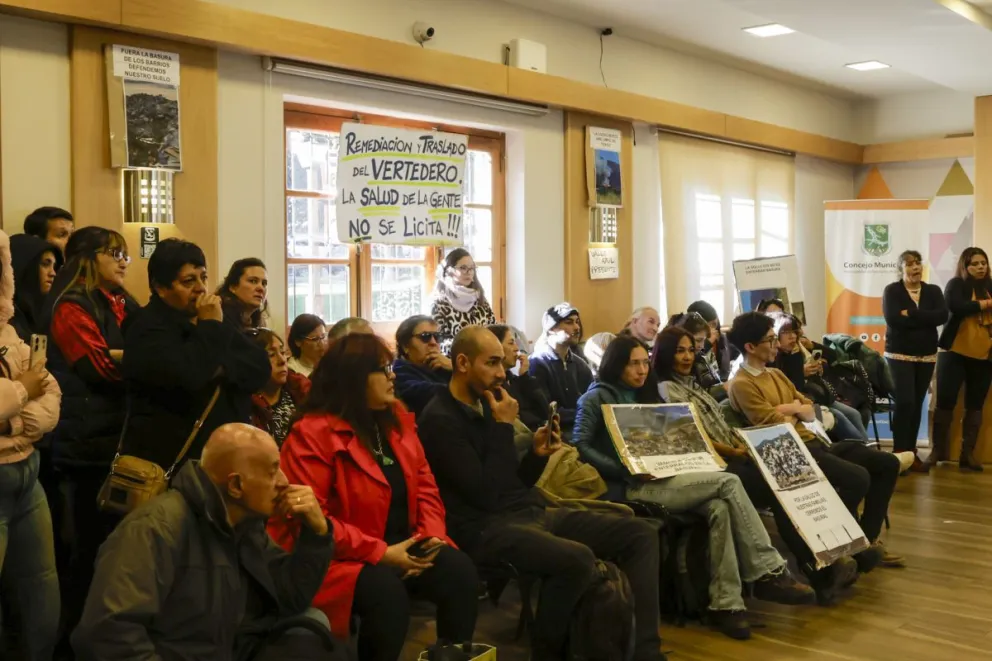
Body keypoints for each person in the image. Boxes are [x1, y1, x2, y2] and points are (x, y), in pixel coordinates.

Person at [418, 326, 666, 661]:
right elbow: (485, 494)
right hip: (482, 527)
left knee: (640, 533)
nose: (501, 373)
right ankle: (547, 653)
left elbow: (513, 483)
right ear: (462, 363)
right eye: (491, 363)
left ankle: (645, 651)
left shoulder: (486, 403)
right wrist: (503, 427)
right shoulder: (440, 418)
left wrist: (535, 456)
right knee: (576, 559)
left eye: (501, 363)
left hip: (525, 511)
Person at [573, 334, 814, 638]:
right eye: (632, 364)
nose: (641, 370)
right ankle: (768, 571)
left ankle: (727, 605)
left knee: (719, 507)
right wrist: (624, 470)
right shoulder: (595, 397)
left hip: (666, 477)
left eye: (644, 363)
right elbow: (579, 444)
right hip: (630, 487)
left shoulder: (648, 395)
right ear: (616, 365)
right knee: (729, 483)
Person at [268, 333, 479, 659]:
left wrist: (432, 534)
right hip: (337, 556)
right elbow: (312, 521)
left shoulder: (394, 419)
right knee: (387, 595)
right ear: (354, 379)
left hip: (402, 542)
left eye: (391, 366)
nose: (393, 376)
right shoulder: (312, 433)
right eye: (383, 369)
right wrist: (380, 552)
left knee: (460, 571)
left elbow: (426, 485)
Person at [72, 423, 336, 661]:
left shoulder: (244, 523)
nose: (284, 482)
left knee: (311, 627)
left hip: (231, 648)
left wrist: (317, 533)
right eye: (272, 471)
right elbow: (107, 633)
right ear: (235, 486)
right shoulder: (155, 529)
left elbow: (290, 598)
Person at [652, 326, 859, 606]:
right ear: (665, 355)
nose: (688, 356)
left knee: (794, 476)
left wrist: (750, 444)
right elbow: (698, 438)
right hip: (717, 463)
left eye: (690, 349)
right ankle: (814, 570)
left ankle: (831, 559)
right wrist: (739, 451)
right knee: (780, 488)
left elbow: (801, 406)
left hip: (738, 449)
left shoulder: (691, 384)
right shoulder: (668, 389)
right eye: (680, 350)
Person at [727, 312, 899, 571]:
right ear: (751, 347)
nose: (776, 345)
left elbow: (810, 406)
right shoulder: (741, 383)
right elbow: (775, 425)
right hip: (793, 451)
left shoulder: (775, 375)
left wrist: (791, 409)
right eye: (770, 340)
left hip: (815, 441)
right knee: (858, 478)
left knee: (886, 463)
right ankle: (852, 544)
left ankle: (864, 540)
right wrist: (795, 410)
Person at [44, 227, 140, 641]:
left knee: (119, 549)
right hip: (84, 444)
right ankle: (76, 640)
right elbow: (96, 368)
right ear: (87, 258)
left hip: (115, 437)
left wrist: (130, 358)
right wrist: (140, 365)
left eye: (125, 255)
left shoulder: (121, 301)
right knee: (88, 551)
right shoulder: (71, 306)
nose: (122, 261)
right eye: (113, 253)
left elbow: (144, 351)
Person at [122, 238, 271, 471]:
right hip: (173, 461)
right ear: (161, 288)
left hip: (223, 458)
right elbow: (190, 375)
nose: (201, 288)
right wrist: (211, 328)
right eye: (188, 281)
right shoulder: (145, 328)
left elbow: (260, 368)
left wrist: (219, 366)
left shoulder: (215, 319)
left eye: (203, 277)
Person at [0, 228, 62, 661]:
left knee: (41, 597)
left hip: (27, 474)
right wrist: (21, 391)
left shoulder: (8, 332)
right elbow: (30, 385)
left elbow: (52, 392)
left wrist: (13, 418)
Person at [772, 314, 884, 450]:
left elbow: (832, 355)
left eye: (794, 331)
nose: (793, 336)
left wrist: (816, 361)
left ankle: (866, 450)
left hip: (818, 396)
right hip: (807, 400)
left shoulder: (796, 351)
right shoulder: (775, 357)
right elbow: (792, 387)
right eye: (786, 332)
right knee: (838, 417)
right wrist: (802, 373)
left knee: (855, 412)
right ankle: (867, 451)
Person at [882, 250, 948, 473]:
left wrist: (911, 314)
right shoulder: (892, 290)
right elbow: (892, 319)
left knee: (917, 403)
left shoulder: (933, 291)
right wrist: (924, 318)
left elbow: (942, 316)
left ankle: (911, 452)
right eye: (909, 264)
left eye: (918, 263)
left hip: (927, 355)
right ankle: (900, 453)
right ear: (901, 268)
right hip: (899, 355)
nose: (915, 267)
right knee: (905, 402)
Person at [933, 247, 992, 472]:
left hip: (984, 355)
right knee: (945, 402)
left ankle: (968, 454)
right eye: (975, 264)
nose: (980, 267)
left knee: (975, 405)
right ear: (965, 266)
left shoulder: (990, 286)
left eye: (983, 263)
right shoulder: (956, 284)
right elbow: (955, 306)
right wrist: (985, 304)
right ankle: (938, 451)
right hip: (954, 353)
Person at [529, 303, 593, 441]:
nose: (577, 327)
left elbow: (592, 402)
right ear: (551, 329)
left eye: (577, 322)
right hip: (555, 435)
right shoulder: (537, 363)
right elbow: (545, 411)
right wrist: (583, 414)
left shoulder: (580, 364)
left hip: (581, 429)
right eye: (569, 322)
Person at [248, 329, 310, 445]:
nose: (282, 360)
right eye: (271, 355)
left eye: (282, 352)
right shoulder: (245, 406)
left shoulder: (301, 390)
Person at [430, 249, 496, 354]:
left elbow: (493, 331)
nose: (469, 272)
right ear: (449, 271)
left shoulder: (480, 300)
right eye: (463, 268)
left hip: (484, 358)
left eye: (472, 268)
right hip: (453, 362)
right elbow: (438, 342)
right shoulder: (439, 303)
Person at [489, 323, 549, 431]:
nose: (517, 348)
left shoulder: (515, 380)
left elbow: (545, 411)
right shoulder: (493, 386)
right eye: (511, 343)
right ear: (496, 346)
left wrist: (525, 376)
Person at [393, 315, 452, 418]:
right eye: (425, 336)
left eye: (437, 337)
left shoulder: (442, 366)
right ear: (405, 346)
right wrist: (457, 369)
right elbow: (439, 394)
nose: (433, 342)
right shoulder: (399, 374)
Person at [9, 234, 62, 341]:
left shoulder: (47, 310)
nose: (53, 273)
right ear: (25, 266)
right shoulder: (5, 318)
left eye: (54, 266)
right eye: (45, 264)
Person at [670, 311, 726, 400]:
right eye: (698, 340)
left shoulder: (700, 357)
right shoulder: (683, 364)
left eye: (703, 340)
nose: (702, 346)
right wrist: (725, 388)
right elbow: (698, 397)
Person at [687, 300, 737, 381]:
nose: (712, 330)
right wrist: (707, 343)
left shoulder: (721, 338)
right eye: (709, 325)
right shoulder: (689, 342)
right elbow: (693, 364)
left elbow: (732, 352)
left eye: (714, 324)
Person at [217, 257, 268, 331]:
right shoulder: (221, 318)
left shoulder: (257, 322)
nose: (261, 288)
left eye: (264, 283)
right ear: (233, 287)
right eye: (253, 281)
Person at [286, 313, 329, 378]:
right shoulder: (292, 372)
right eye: (315, 339)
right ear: (298, 341)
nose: (322, 344)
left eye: (323, 337)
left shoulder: (328, 363)